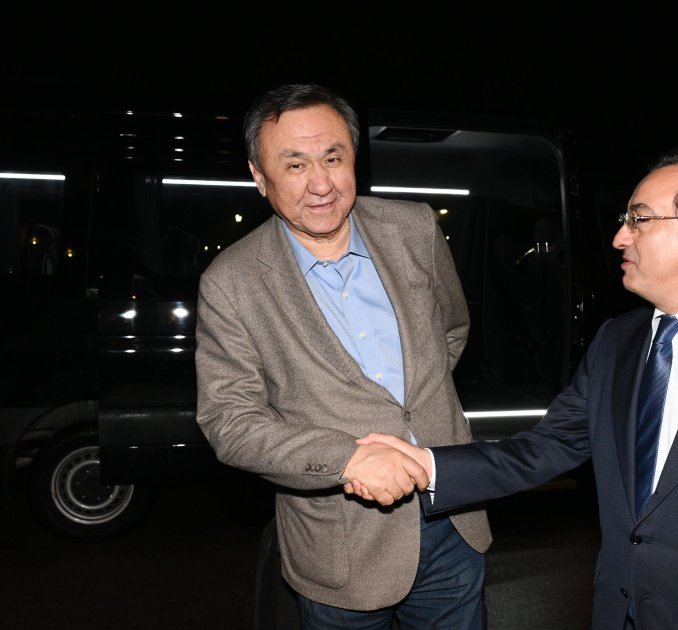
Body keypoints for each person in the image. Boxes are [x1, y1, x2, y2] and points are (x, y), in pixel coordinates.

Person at [347, 145, 678, 629]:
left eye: (639, 219)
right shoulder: (616, 341)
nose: (618, 237)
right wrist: (427, 465)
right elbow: (546, 448)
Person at [194, 83, 492, 629]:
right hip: (341, 547)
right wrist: (347, 458)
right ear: (259, 177)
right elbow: (229, 422)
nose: (321, 184)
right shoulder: (232, 282)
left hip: (454, 519)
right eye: (295, 165)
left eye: (334, 158)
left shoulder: (415, 229)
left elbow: (451, 332)